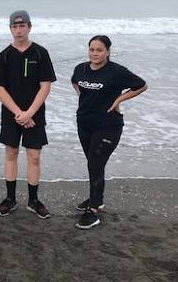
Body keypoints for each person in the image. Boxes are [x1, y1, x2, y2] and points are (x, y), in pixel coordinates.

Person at [71, 35, 147, 229]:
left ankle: (94, 211)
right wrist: (87, 99)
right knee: (94, 163)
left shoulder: (116, 72)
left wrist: (118, 100)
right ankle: (97, 199)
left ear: (107, 52)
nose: (95, 54)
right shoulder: (80, 68)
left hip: (108, 126)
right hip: (84, 123)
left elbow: (141, 85)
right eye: (92, 50)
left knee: (95, 164)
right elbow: (75, 83)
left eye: (99, 50)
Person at [0, 10, 56, 219]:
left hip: (35, 113)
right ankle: (10, 199)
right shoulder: (5, 55)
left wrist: (30, 113)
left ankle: (33, 200)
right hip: (11, 114)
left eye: (22, 25)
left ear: (29, 26)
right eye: (14, 26)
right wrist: (19, 113)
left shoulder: (40, 53)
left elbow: (45, 86)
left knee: (34, 156)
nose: (18, 30)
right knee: (11, 153)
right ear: (10, 29)